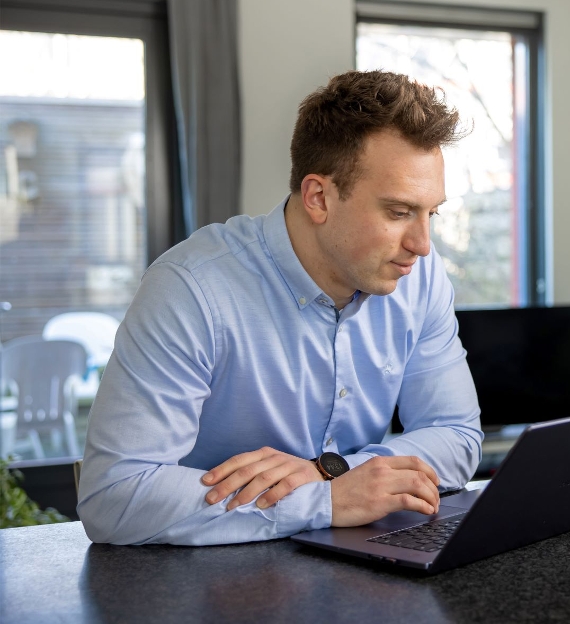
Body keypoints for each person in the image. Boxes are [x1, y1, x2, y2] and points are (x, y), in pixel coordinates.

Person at [77, 70, 483, 545]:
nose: (422, 244)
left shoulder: (419, 277)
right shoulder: (191, 289)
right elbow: (115, 496)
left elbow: (455, 434)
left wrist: (332, 473)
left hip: (364, 563)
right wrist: (325, 501)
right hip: (209, 581)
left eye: (430, 213)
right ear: (318, 197)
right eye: (398, 212)